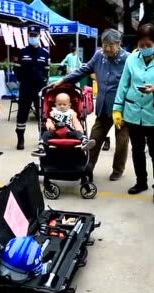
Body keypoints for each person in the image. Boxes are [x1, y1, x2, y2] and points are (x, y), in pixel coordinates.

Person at [111, 24, 154, 204]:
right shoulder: (132, 59)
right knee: (137, 149)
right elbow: (123, 84)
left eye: (148, 44)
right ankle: (141, 182)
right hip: (133, 111)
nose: (145, 48)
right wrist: (117, 109)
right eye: (141, 45)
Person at [54, 29, 131, 181]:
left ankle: (118, 169)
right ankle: (88, 165)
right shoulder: (98, 55)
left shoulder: (129, 59)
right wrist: (64, 80)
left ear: (119, 44)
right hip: (103, 106)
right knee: (94, 138)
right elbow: (84, 69)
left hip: (121, 109)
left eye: (110, 45)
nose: (107, 49)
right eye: (104, 45)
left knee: (122, 142)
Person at [13, 25, 50, 150]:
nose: (32, 37)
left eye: (35, 35)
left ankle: (42, 139)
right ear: (27, 35)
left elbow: (46, 72)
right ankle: (20, 139)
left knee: (42, 114)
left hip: (39, 89)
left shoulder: (45, 53)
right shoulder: (22, 51)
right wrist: (22, 81)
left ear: (39, 36)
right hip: (26, 88)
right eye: (31, 35)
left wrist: (43, 82)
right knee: (22, 113)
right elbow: (16, 70)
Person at [31, 92, 95, 157]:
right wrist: (50, 127)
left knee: (77, 133)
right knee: (45, 134)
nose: (62, 106)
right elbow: (49, 121)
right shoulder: (52, 113)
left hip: (69, 132)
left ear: (69, 105)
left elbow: (76, 123)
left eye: (64, 104)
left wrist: (79, 130)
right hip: (55, 132)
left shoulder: (72, 113)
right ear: (55, 104)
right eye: (59, 104)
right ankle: (42, 148)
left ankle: (84, 142)